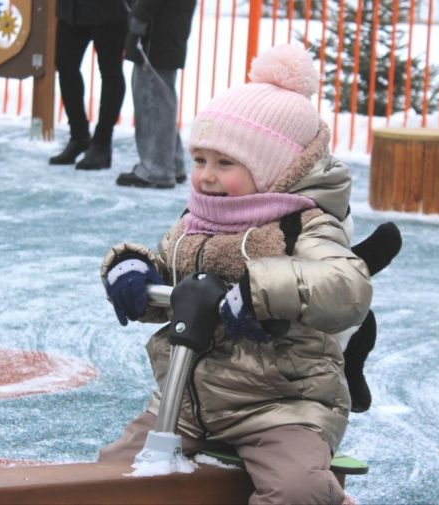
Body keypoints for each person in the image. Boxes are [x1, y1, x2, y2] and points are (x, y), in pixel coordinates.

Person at [97, 45, 376, 504]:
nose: (206, 176)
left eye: (225, 163)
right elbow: (171, 278)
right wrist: (132, 271)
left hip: (282, 405)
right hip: (186, 402)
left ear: (272, 168)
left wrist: (261, 290)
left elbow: (348, 286)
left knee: (296, 489)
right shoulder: (196, 221)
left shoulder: (303, 224)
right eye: (201, 159)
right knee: (109, 478)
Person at [115, 0, 196, 188]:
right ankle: (172, 164)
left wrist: (138, 19)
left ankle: (156, 169)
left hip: (155, 34)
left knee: (151, 101)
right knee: (162, 100)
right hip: (168, 29)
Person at [48, 0, 128, 170]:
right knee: (65, 65)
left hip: (110, 11)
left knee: (110, 72)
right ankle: (79, 137)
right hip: (71, 10)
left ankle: (102, 143)